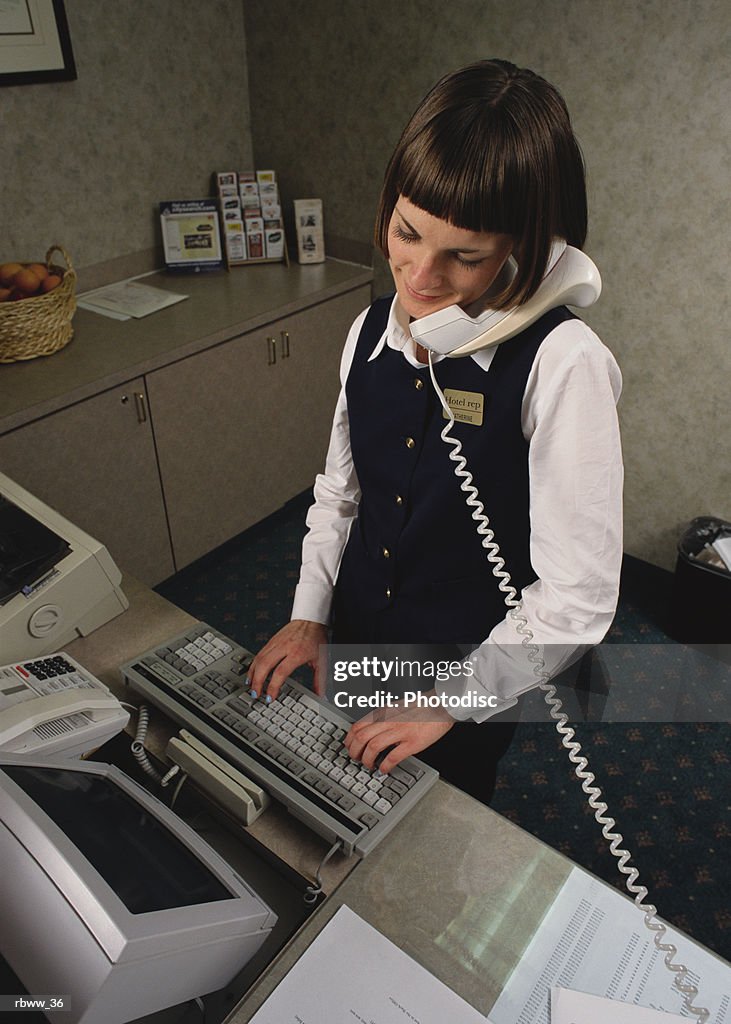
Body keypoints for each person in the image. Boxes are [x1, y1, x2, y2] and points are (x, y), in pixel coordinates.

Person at [247, 58, 623, 804]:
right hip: (354, 637)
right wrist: (307, 614)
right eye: (405, 232)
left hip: (469, 670)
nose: (418, 277)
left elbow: (576, 597)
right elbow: (341, 494)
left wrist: (452, 700)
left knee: (432, 829)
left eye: (466, 256)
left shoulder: (561, 363)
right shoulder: (366, 331)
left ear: (531, 251)